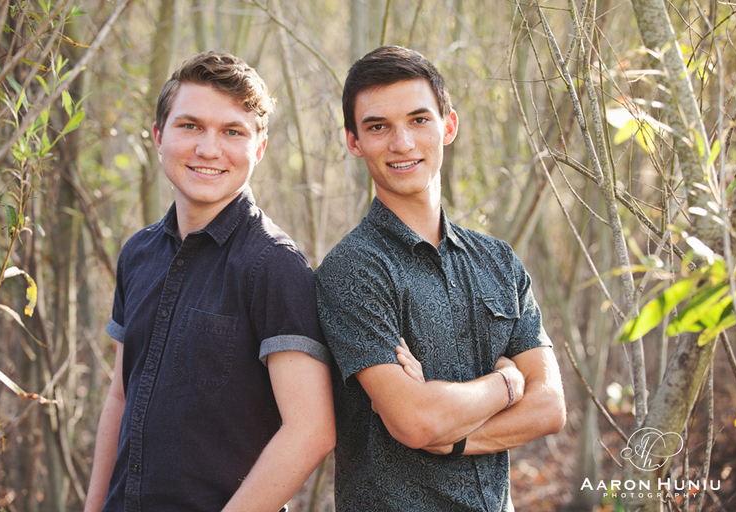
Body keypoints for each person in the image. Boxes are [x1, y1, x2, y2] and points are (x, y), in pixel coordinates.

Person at [315, 46, 566, 512]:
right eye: (378, 127)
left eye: (419, 120)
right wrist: (507, 384)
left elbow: (550, 406)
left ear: (448, 126)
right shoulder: (353, 269)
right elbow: (416, 422)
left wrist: (452, 438)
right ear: (354, 141)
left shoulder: (499, 261)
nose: (402, 143)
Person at [84, 51, 335, 512]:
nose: (208, 149)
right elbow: (119, 396)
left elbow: (311, 430)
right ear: (159, 136)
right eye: (190, 126)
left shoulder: (274, 266)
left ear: (259, 148)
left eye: (232, 132)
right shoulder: (138, 254)